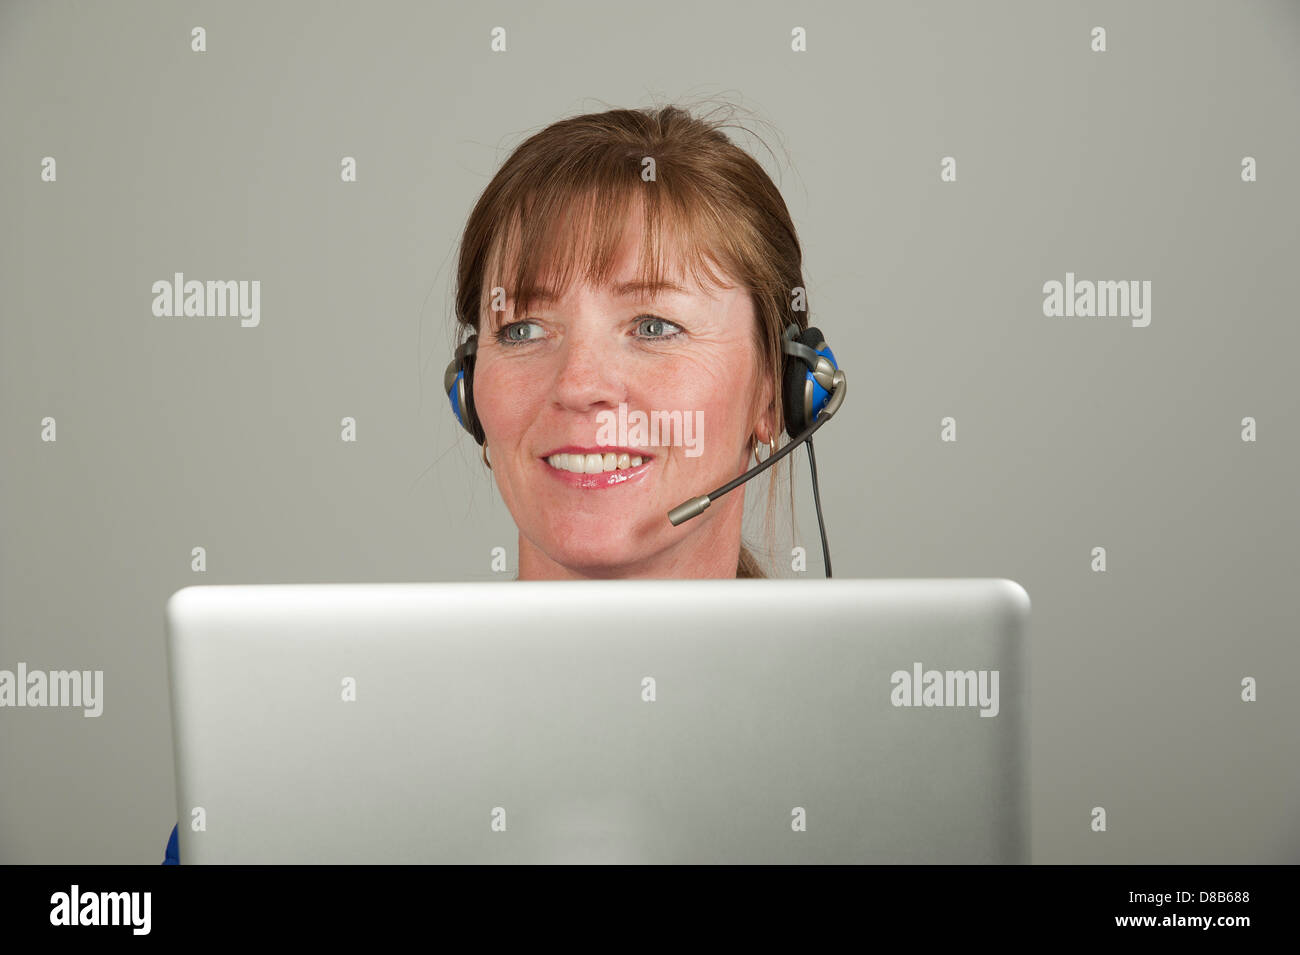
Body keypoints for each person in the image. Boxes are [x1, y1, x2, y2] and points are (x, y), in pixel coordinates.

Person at [163, 101, 816, 861]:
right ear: (471, 395)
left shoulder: (894, 758)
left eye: (653, 326)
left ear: (778, 389)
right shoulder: (296, 779)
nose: (579, 385)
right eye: (523, 329)